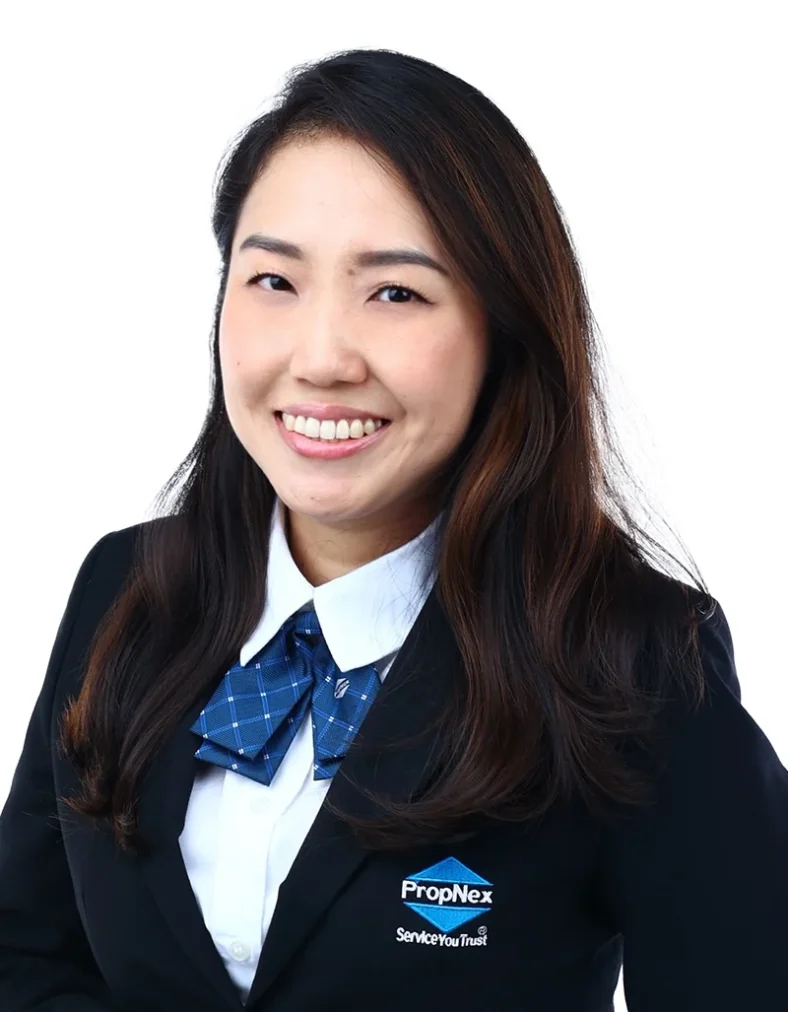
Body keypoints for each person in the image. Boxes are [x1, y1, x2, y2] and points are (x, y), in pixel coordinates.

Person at [1, 46, 786, 1012]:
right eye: (274, 281)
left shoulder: (634, 660)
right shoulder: (127, 585)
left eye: (396, 293)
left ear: (503, 330)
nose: (321, 358)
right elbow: (25, 953)